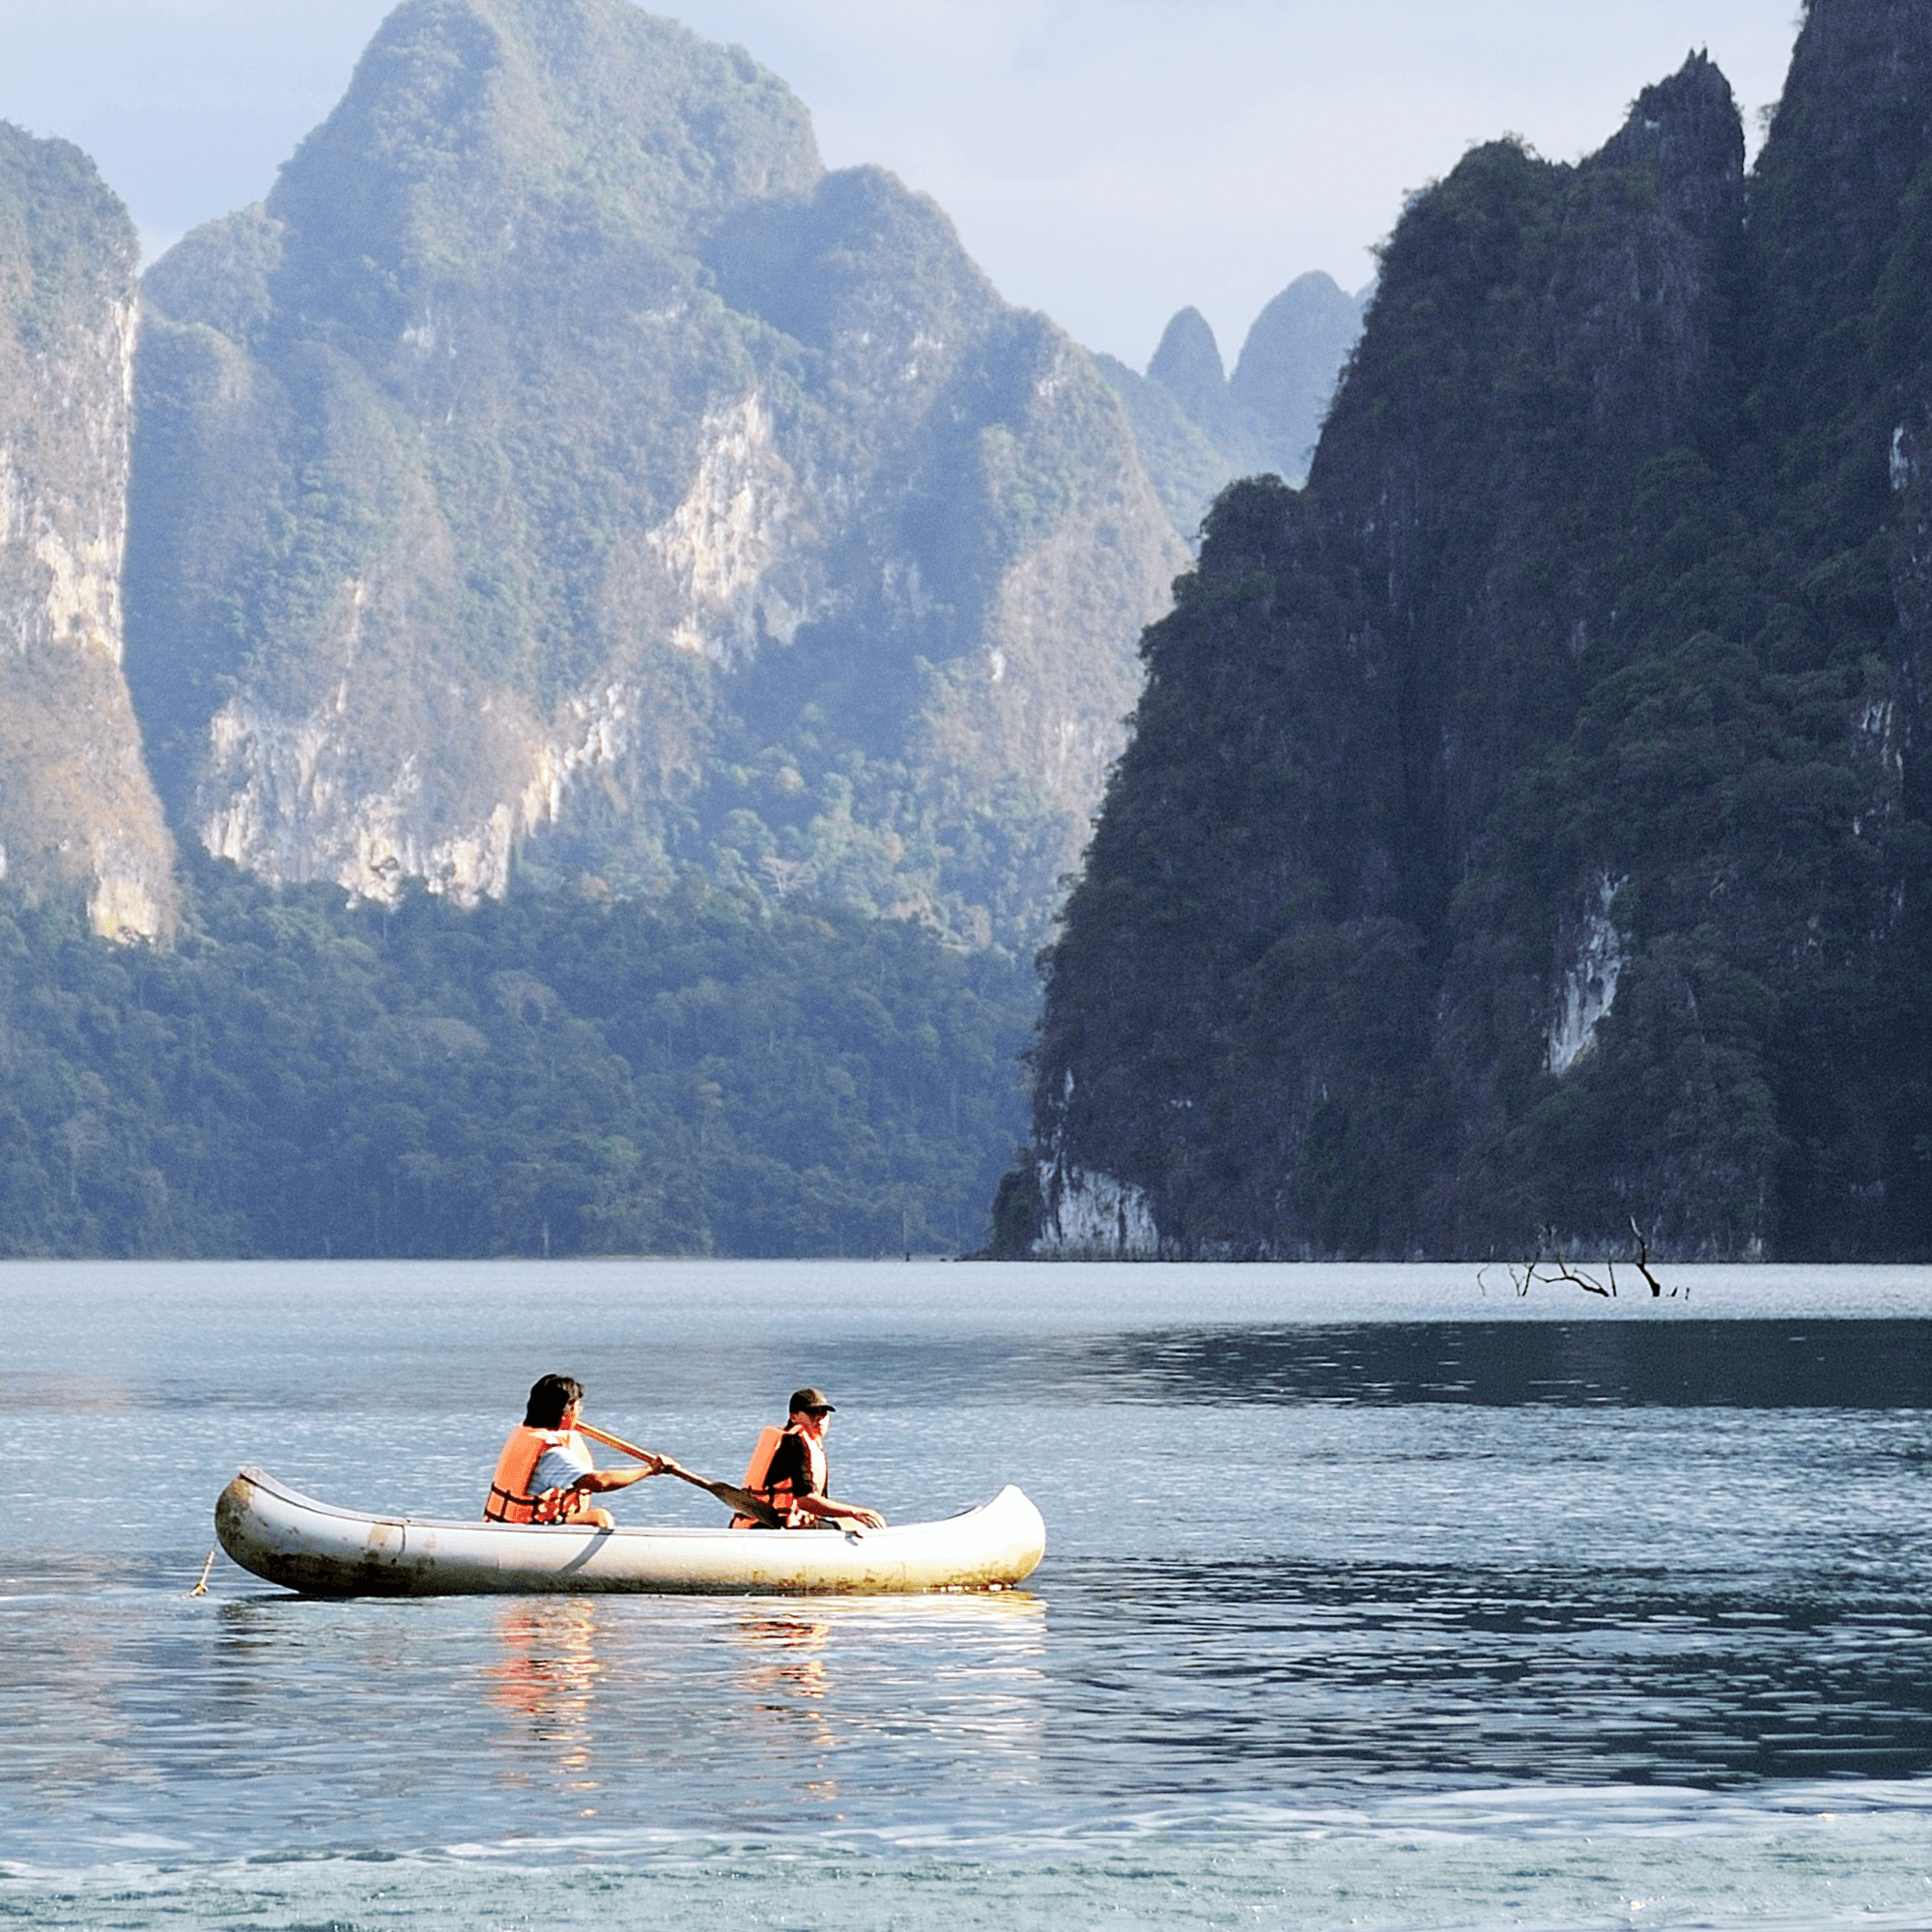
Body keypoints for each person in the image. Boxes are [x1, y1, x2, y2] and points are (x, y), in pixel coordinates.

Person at [484, 1374, 662, 1527]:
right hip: (528, 1531)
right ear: (565, 1413)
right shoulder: (552, 1453)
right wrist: (649, 1470)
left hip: (510, 1526)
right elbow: (599, 1483)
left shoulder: (527, 1434)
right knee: (600, 1517)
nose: (580, 1411)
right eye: (577, 1407)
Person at [737, 1387, 886, 1529]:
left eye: (824, 1413)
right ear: (793, 1416)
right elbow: (805, 1500)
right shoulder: (794, 1443)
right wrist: (855, 1512)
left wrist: (846, 1516)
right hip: (775, 1527)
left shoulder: (805, 1442)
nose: (819, 1418)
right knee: (855, 1524)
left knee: (848, 1522)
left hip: (780, 1524)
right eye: (812, 1412)